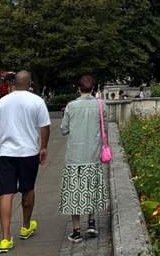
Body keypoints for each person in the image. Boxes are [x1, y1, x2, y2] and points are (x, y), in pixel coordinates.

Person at [0, 71, 51, 254]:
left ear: (14, 83)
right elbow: (45, 126)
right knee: (28, 189)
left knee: (6, 193)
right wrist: (44, 147)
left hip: (6, 154)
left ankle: (6, 239)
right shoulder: (37, 101)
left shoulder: (1, 103)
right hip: (29, 152)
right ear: (30, 83)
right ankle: (25, 226)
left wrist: (5, 135)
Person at [59, 75, 109, 243]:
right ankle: (92, 223)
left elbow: (64, 130)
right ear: (93, 88)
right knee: (91, 190)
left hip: (75, 157)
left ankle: (76, 230)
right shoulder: (101, 105)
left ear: (78, 88)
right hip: (93, 156)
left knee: (75, 193)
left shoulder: (71, 106)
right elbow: (105, 128)